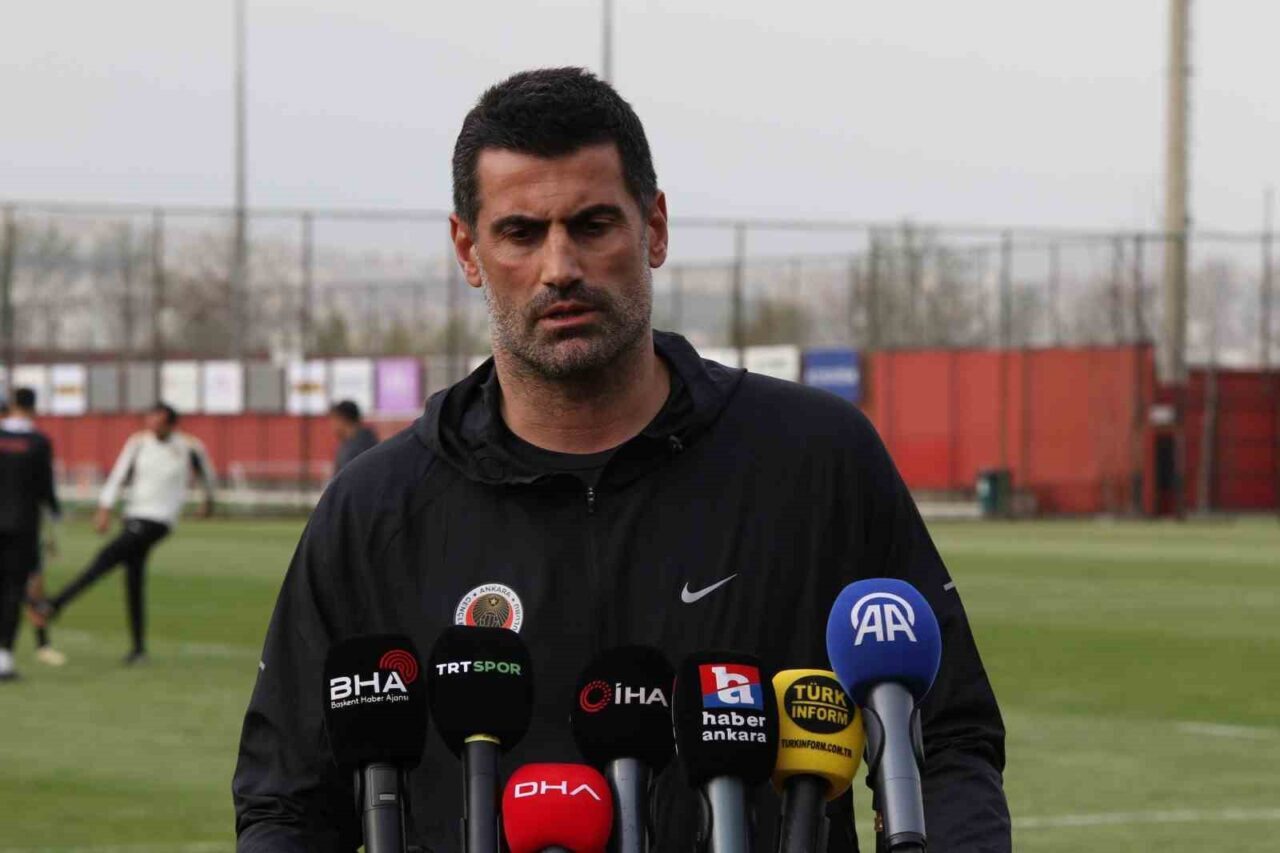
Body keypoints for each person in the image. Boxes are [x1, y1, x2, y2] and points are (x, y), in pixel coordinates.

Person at [234, 68, 1010, 851]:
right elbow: (288, 806)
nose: (559, 266)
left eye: (594, 224)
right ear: (468, 250)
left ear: (655, 228)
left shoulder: (818, 459)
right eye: (521, 233)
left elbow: (949, 737)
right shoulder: (375, 510)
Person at [39, 402, 214, 664]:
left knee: (106, 557)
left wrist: (208, 501)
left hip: (160, 519)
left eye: (157, 420)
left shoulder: (189, 446)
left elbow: (206, 475)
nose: (151, 424)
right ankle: (138, 649)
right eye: (149, 419)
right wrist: (105, 508)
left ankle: (56, 603)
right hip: (134, 514)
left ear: (170, 423)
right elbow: (119, 475)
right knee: (133, 578)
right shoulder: (138, 443)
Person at [0, 388, 61, 680]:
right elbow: (45, 488)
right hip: (23, 526)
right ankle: (4, 659)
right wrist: (55, 515)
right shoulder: (39, 442)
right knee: (13, 590)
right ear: (34, 407)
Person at [328, 400, 379, 474]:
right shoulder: (347, 443)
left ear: (342, 419)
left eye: (333, 420)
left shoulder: (361, 446)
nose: (331, 426)